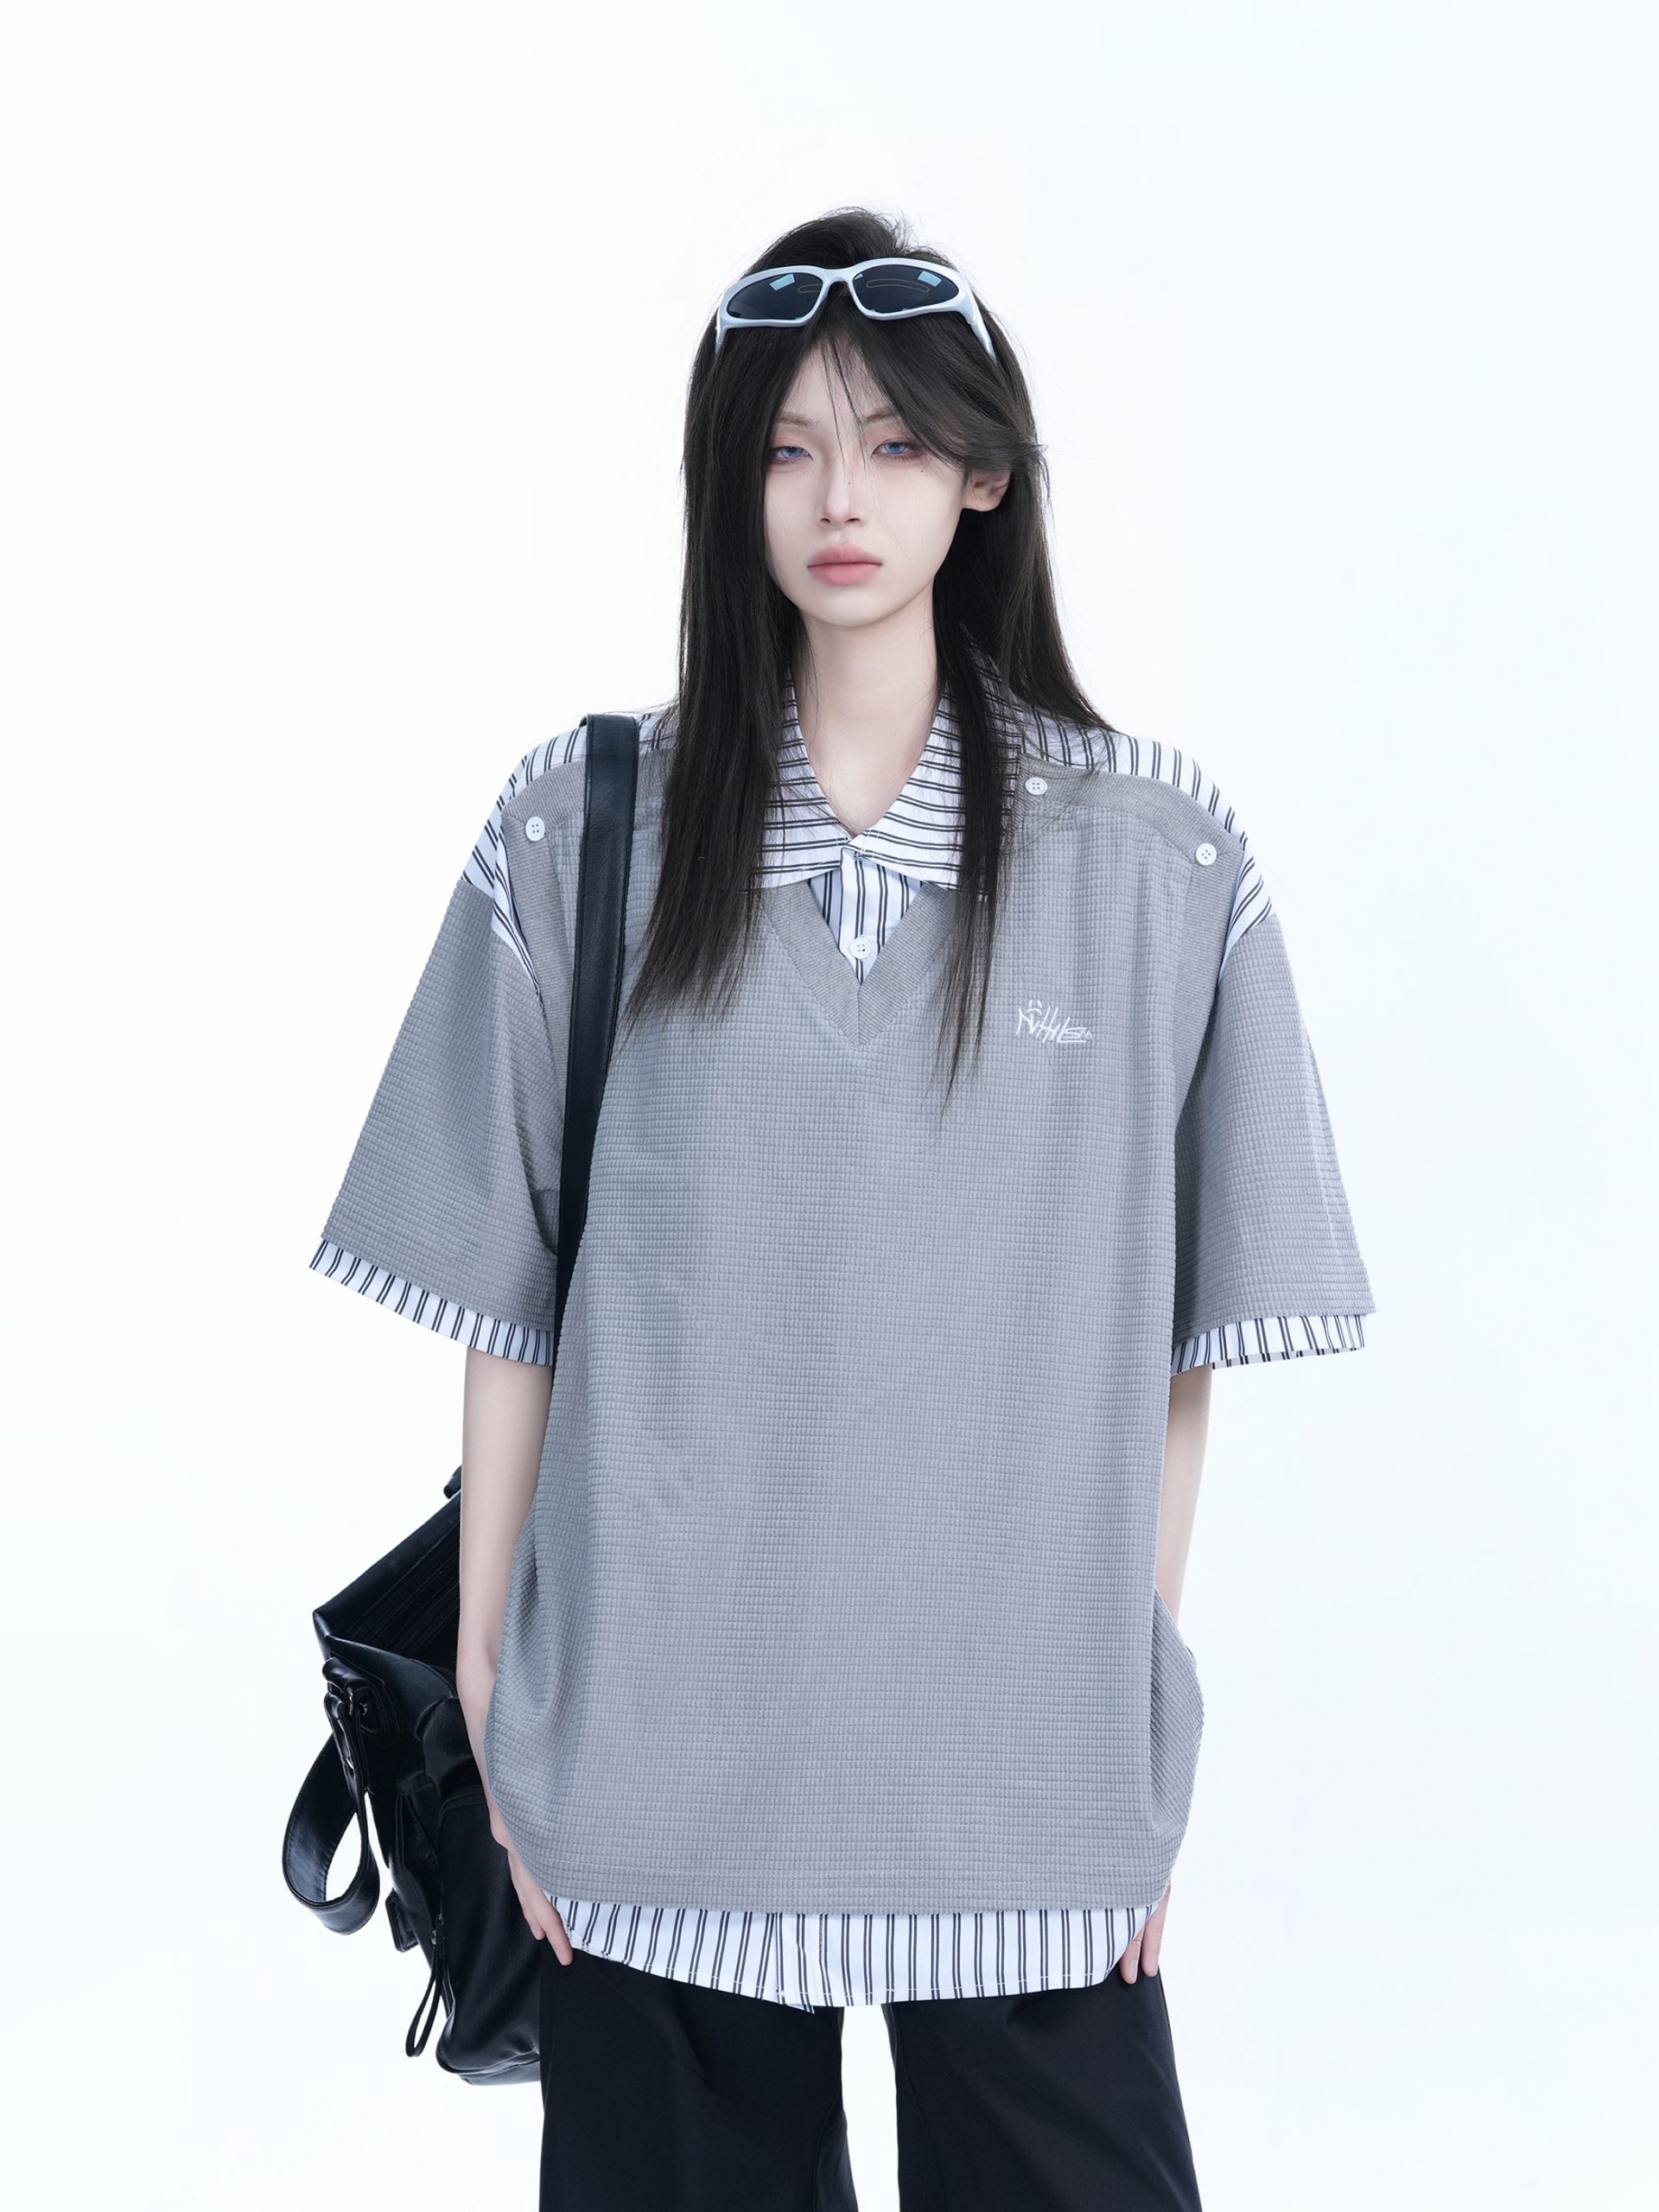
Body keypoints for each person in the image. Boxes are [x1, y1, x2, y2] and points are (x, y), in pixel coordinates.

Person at [309, 207, 1376, 2209]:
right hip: (651, 1767)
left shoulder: (1161, 863)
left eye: (892, 443)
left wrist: (1131, 1704)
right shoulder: (580, 834)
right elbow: (509, 1308)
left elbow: (1180, 1349)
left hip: (1025, 1779)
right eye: (787, 448)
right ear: (729, 484)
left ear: (984, 474)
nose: (838, 498)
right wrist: (495, 1689)